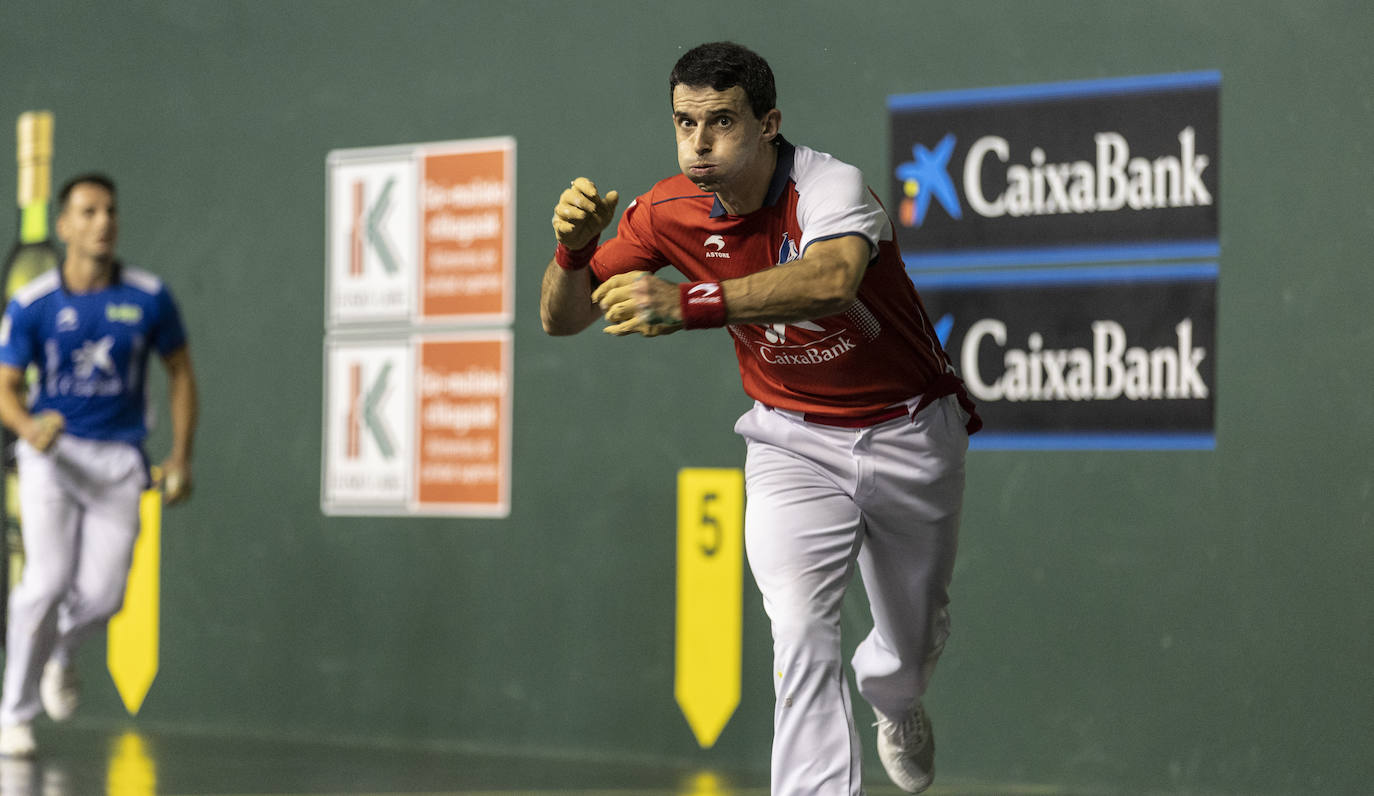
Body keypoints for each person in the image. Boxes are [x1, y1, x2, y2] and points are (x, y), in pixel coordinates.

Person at [540, 41, 981, 795]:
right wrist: (575, 254)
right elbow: (563, 319)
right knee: (801, 631)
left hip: (908, 430)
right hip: (792, 442)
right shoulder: (665, 211)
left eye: (721, 122)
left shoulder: (830, 186)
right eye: (685, 123)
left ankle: (896, 700)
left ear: (768, 123)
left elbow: (833, 279)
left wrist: (689, 302)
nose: (700, 142)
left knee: (909, 648)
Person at [0, 173, 197, 758]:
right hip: (52, 459)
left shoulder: (149, 297)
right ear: (63, 227)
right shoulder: (33, 304)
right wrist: (30, 428)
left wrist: (182, 454)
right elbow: (6, 386)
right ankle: (13, 714)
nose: (102, 222)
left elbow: (181, 374)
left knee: (106, 597)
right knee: (45, 581)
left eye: (109, 211)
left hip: (119, 461)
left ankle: (60, 655)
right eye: (87, 212)